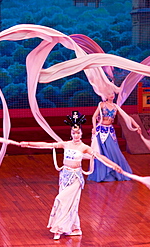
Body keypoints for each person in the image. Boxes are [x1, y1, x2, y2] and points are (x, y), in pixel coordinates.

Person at [20, 111, 122, 240]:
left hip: (76, 178)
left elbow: (99, 157)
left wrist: (113, 165)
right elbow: (46, 145)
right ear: (71, 133)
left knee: (62, 200)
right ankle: (75, 228)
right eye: (74, 133)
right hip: (64, 177)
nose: (76, 135)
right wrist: (28, 143)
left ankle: (58, 228)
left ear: (81, 133)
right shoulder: (66, 144)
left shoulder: (84, 147)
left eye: (78, 132)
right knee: (69, 204)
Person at [88, 93, 142, 182]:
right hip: (100, 131)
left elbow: (128, 118)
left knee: (113, 151)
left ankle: (116, 172)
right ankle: (103, 175)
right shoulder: (101, 104)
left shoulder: (116, 107)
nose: (111, 95)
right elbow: (94, 117)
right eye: (109, 93)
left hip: (110, 131)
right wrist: (94, 127)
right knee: (101, 152)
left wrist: (137, 126)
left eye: (112, 93)